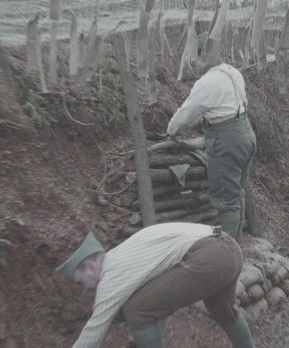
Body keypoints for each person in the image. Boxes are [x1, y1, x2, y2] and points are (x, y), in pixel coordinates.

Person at [55, 223, 255, 348]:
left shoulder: (110, 275)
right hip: (228, 248)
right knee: (222, 308)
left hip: (210, 255)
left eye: (81, 283)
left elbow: (94, 330)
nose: (84, 290)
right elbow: (160, 303)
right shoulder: (126, 257)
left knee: (136, 309)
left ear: (90, 267)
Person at [166, 32, 257, 241]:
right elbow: (226, 106)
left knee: (226, 201)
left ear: (202, 55)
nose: (194, 63)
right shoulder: (233, 72)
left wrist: (171, 131)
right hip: (246, 133)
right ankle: (238, 243)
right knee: (237, 192)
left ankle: (228, 254)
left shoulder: (207, 82)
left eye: (195, 57)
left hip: (228, 141)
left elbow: (185, 114)